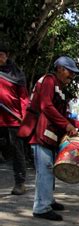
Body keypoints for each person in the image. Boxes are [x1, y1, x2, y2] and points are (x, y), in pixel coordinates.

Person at [19, 56, 79, 221]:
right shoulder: (49, 81)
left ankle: (48, 200)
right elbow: (46, 106)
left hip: (50, 136)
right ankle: (41, 208)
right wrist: (67, 126)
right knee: (45, 170)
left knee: (49, 169)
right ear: (60, 68)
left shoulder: (58, 86)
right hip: (40, 133)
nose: (72, 76)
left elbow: (62, 115)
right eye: (70, 72)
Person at [0, 42, 29, 195]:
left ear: (6, 56)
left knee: (17, 152)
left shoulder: (16, 73)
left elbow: (24, 98)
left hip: (13, 120)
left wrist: (25, 118)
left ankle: (20, 183)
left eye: (1, 55)